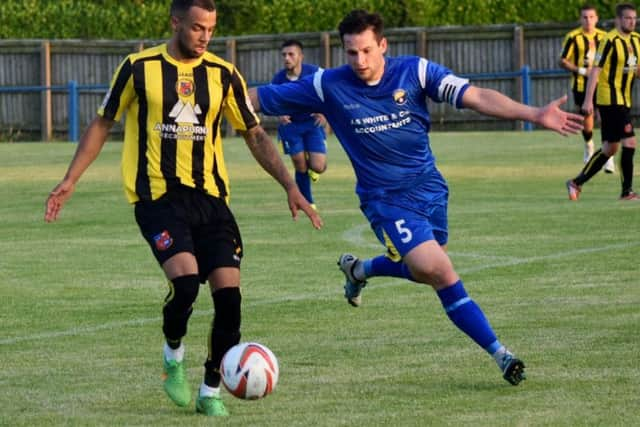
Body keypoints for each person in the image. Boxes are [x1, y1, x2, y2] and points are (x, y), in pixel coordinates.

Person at [249, 9, 583, 386]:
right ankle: (501, 354)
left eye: (366, 51)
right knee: (439, 270)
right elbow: (257, 98)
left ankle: (360, 269)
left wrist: (534, 113)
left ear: (383, 46)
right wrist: (207, 101)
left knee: (427, 268)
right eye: (351, 53)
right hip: (384, 199)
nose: (359, 61)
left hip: (430, 189)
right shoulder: (328, 84)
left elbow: (475, 96)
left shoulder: (416, 72)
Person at [44, 0, 321, 418]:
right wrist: (70, 180)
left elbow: (255, 133)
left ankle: (210, 390)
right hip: (157, 198)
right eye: (196, 28)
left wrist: (289, 185)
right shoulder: (138, 68)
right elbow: (103, 122)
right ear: (175, 23)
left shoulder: (224, 74)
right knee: (188, 283)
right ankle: (173, 356)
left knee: (230, 299)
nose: (204, 36)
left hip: (211, 199)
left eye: (210, 28)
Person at [566, 3, 640, 201]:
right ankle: (627, 192)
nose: (631, 21)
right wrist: (589, 100)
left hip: (625, 99)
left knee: (610, 148)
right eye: (627, 18)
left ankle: (576, 182)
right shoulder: (609, 40)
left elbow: (637, 68)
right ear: (618, 20)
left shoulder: (637, 40)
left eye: (634, 18)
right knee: (630, 141)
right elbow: (596, 71)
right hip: (609, 99)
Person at [271, 39, 328, 210]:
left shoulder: (315, 73)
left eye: (291, 54)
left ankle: (314, 167)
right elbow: (272, 102)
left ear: (300, 56)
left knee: (318, 166)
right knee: (299, 163)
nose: (286, 58)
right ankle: (307, 201)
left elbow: (330, 91)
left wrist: (324, 112)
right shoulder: (278, 79)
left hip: (312, 123)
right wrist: (279, 114)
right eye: (284, 55)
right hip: (291, 127)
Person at [560, 4, 615, 173]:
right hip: (581, 85)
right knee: (587, 118)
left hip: (603, 84)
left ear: (597, 18)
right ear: (580, 19)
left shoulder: (605, 37)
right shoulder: (573, 37)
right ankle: (589, 145)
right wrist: (582, 70)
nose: (588, 20)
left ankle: (608, 157)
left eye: (591, 17)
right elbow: (562, 61)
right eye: (585, 17)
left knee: (607, 116)